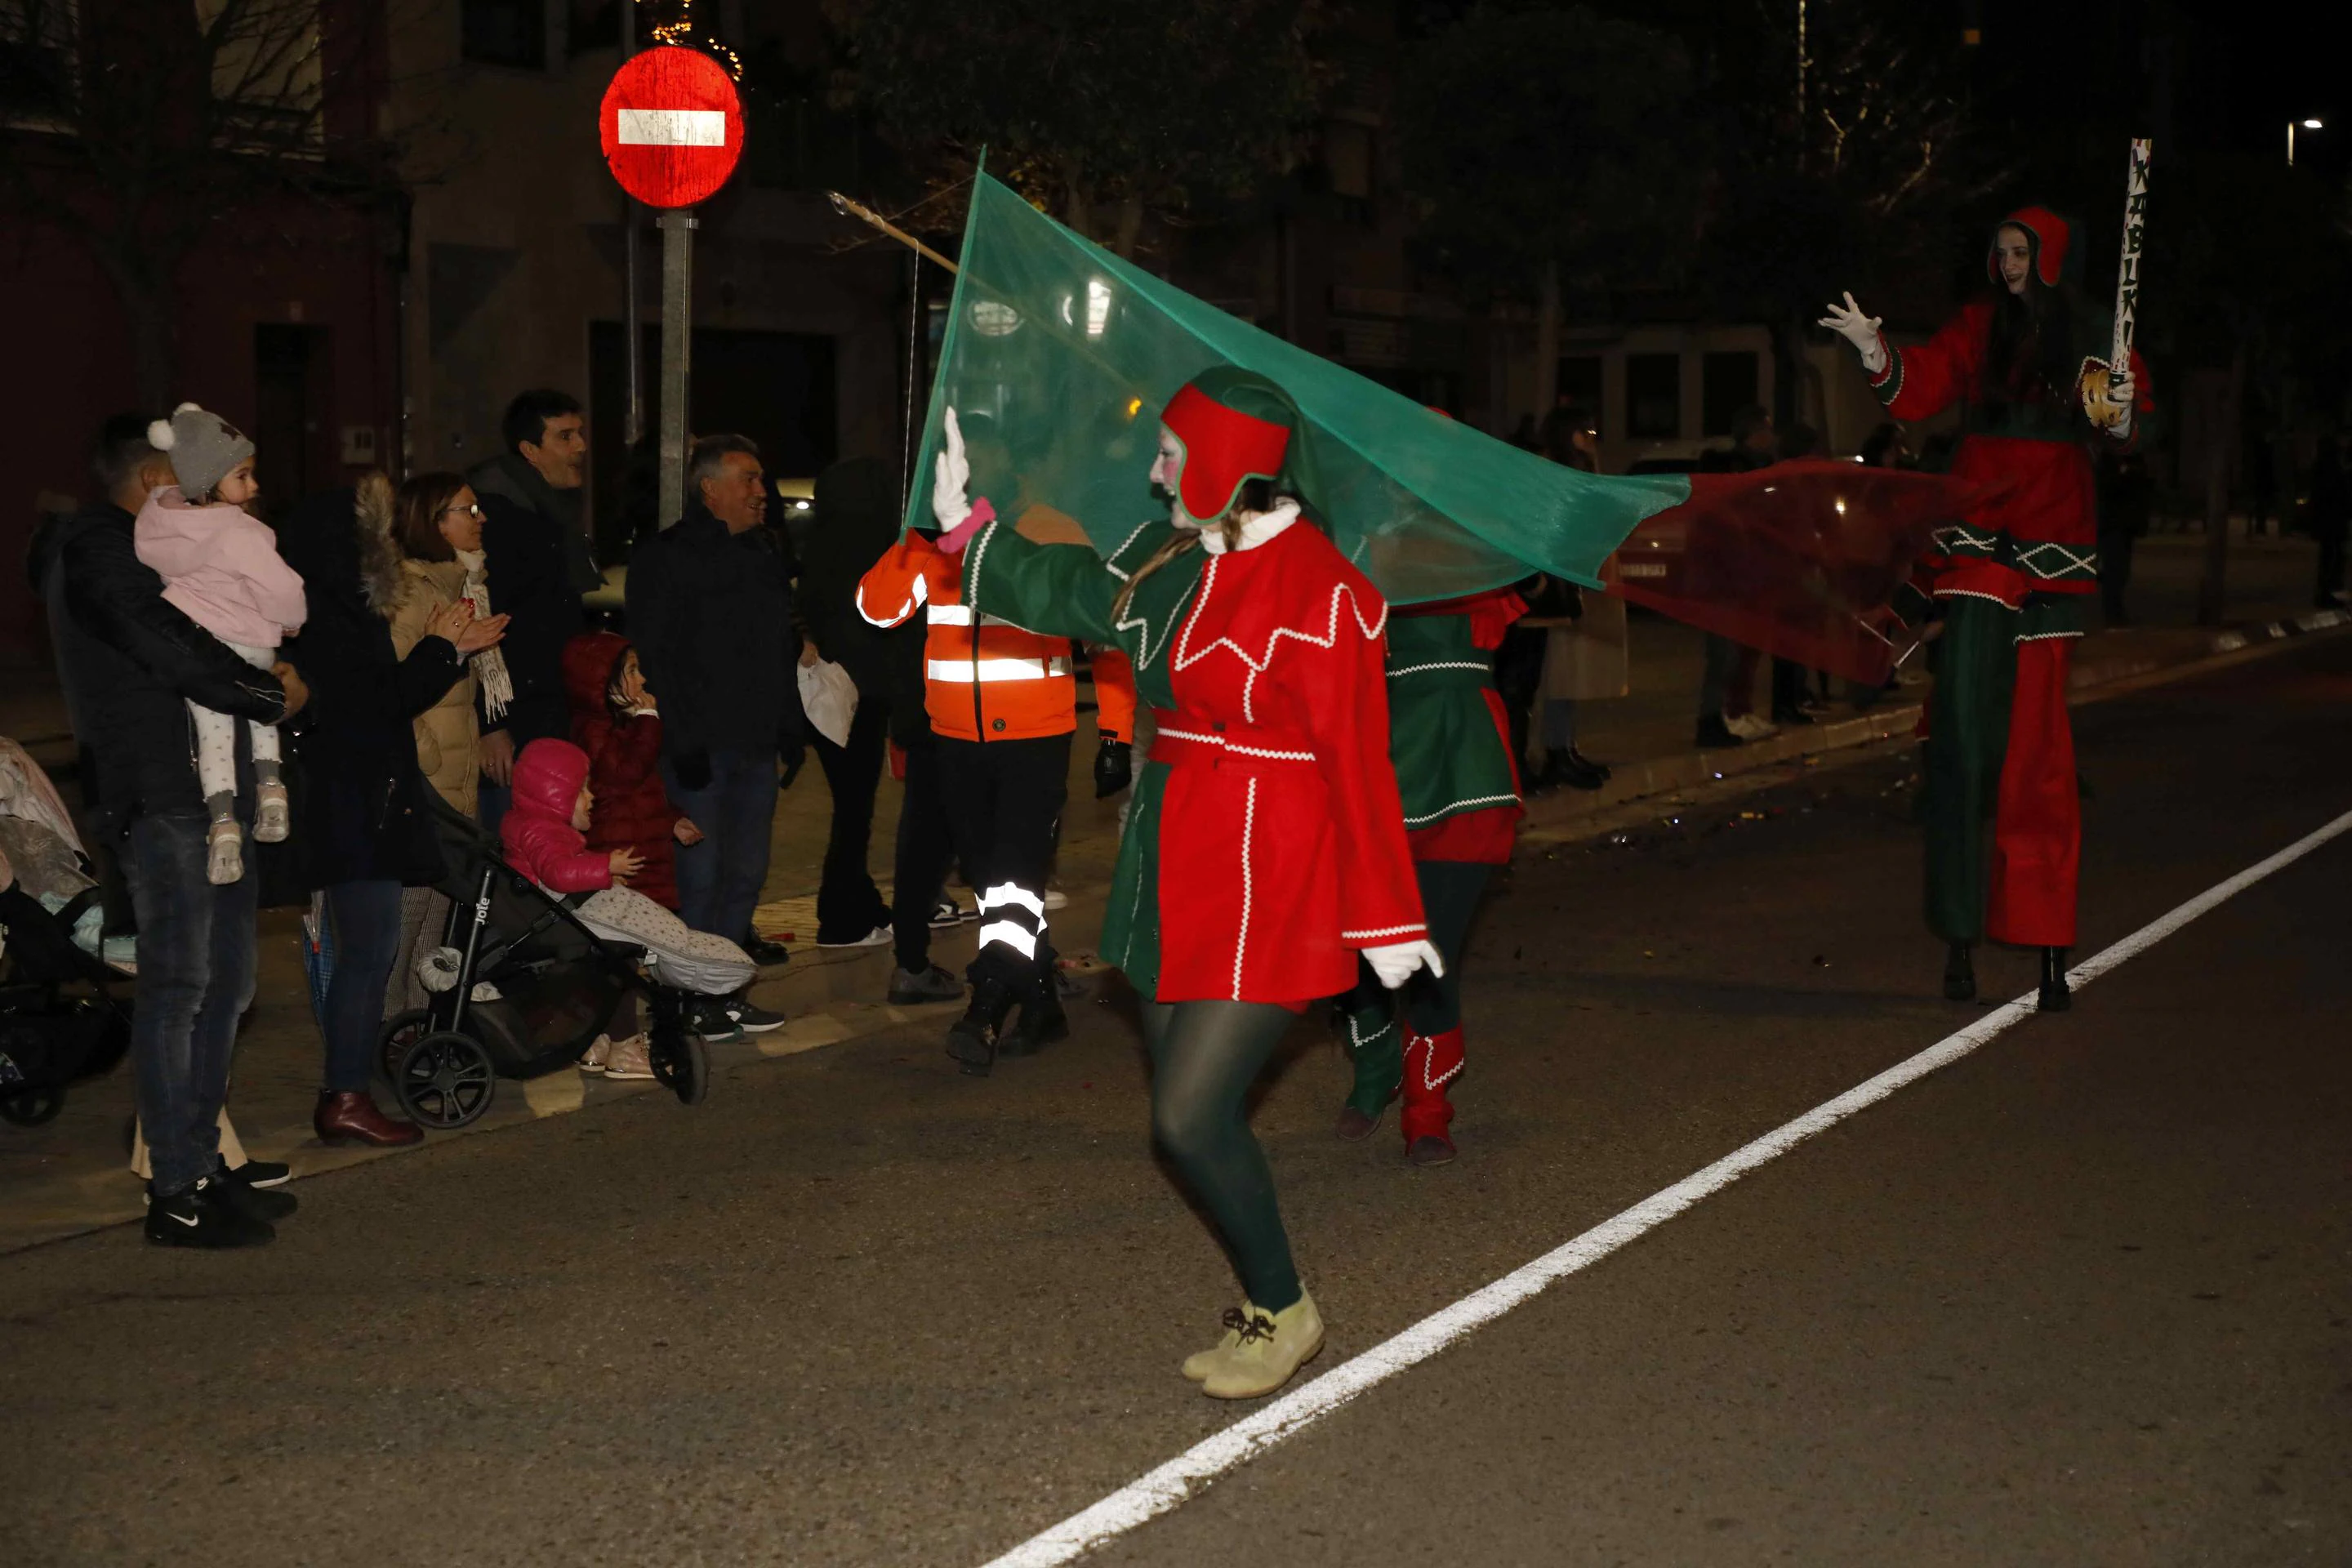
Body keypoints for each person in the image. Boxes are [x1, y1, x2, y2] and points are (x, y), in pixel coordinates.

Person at [951, 369, 1439, 1401]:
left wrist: (1388, 917)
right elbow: (1075, 590)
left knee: (1186, 1115)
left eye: (1176, 453)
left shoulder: (1329, 597)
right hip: (1173, 855)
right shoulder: (1176, 565)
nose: (1157, 469)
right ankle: (1275, 1304)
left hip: (1274, 868)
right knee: (1185, 1104)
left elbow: (1358, 763)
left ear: (1232, 464)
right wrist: (970, 536)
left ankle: (1285, 1310)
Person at [1822, 203, 2152, 1010]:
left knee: (2037, 757)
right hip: (1977, 537)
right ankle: (1960, 940)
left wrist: (2119, 406)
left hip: (2055, 539)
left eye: (2017, 251)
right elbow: (1922, 386)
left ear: (2048, 257)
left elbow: (2126, 429)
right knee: (1965, 744)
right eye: (1998, 249)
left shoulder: (2092, 333)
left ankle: (2048, 952)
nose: (2004, 262)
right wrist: (1876, 349)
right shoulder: (1976, 326)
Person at [40, 412, 307, 1245]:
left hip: (207, 788)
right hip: (163, 794)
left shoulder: (150, 545)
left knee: (229, 986)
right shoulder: (100, 550)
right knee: (181, 988)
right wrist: (264, 692)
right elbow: (166, 643)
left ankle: (203, 1160)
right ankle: (177, 1188)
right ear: (160, 481)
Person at [856, 434, 1138, 1071]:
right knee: (996, 887)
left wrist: (1116, 733)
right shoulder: (933, 545)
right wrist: (919, 537)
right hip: (954, 744)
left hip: (1035, 742)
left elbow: (1105, 637)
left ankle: (983, 1008)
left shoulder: (1053, 532)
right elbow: (876, 610)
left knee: (1015, 883)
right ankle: (1041, 1009)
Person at [278, 474, 506, 1147]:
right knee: (369, 951)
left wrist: (449, 650)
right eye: (369, 539)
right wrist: (440, 648)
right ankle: (345, 1094)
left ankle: (347, 1091)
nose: (381, 552)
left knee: (370, 952)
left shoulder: (340, 608)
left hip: (361, 798)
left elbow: (388, 694)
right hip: (354, 802)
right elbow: (367, 708)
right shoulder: (331, 616)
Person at [1335, 586, 1525, 1163]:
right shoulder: (1351, 561)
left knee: (1436, 949)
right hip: (1377, 762)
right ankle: (1377, 1067)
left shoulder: (1482, 554)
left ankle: (1427, 1111)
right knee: (1356, 944)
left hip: (1468, 770)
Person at [626, 434, 803, 1038]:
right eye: (749, 480)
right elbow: (657, 655)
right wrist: (680, 741)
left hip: (754, 746)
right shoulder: (668, 557)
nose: (762, 492)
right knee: (696, 881)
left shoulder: (762, 553)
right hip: (700, 751)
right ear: (710, 488)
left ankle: (722, 989)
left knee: (745, 873)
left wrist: (790, 727)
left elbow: (777, 649)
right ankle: (683, 1000)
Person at [500, 738, 756, 1076]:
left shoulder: (533, 823)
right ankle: (624, 1046)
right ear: (553, 795)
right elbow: (558, 873)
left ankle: (595, 1041)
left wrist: (598, 878)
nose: (592, 798)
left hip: (552, 916)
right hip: (553, 922)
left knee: (602, 965)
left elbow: (558, 869)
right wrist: (605, 867)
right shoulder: (541, 830)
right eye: (582, 792)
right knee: (620, 960)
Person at [131, 404, 307, 884]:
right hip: (250, 644)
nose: (253, 487)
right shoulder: (239, 531)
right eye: (243, 476)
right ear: (209, 480)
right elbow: (284, 590)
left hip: (202, 655)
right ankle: (273, 792)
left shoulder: (160, 528)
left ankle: (223, 825)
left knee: (213, 738)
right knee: (265, 713)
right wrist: (291, 621)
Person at [383, 472, 514, 1018]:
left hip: (451, 786)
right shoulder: (412, 589)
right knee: (403, 933)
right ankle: (385, 1041)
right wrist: (423, 757)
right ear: (433, 523)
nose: (480, 518)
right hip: (425, 785)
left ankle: (417, 1037)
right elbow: (386, 681)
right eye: (468, 509)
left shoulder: (460, 587)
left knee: (434, 939)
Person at [470, 390, 598, 835]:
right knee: (520, 846)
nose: (580, 447)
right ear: (530, 450)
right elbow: (482, 624)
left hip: (544, 712)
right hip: (517, 725)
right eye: (565, 436)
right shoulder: (498, 518)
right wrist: (493, 726)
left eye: (579, 433)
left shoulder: (547, 509)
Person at [564, 630, 696, 912]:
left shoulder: (622, 725)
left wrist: (671, 819)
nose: (643, 680)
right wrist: (648, 721)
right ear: (602, 680)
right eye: (632, 671)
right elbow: (624, 776)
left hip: (646, 854)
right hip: (622, 853)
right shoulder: (593, 730)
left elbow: (642, 788)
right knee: (633, 931)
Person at [1695, 404, 1778, 746]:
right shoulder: (1736, 474)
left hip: (1743, 575)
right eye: (1766, 429)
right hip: (1724, 578)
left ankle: (1728, 715)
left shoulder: (1759, 471)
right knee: (1724, 656)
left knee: (1739, 653)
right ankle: (1714, 719)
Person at [2095, 449, 2154, 626]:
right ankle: (2113, 615)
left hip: (2125, 523)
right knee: (2115, 571)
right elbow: (2106, 486)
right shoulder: (2108, 460)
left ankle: (2115, 612)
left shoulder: (2131, 459)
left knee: (2120, 571)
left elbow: (2142, 485)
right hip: (2113, 523)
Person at [2307, 434, 2347, 608]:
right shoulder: (2332, 470)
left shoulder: (2321, 469)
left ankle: (2326, 594)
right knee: (2333, 561)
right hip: (2333, 522)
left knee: (2329, 559)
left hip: (2328, 522)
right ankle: (2328, 595)